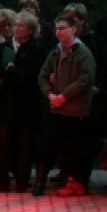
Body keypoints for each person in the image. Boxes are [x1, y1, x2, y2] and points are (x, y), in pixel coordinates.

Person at [38, 14, 96, 198]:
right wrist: (50, 94)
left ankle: (78, 182)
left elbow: (86, 79)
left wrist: (64, 95)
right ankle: (71, 180)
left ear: (73, 29)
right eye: (56, 28)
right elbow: (42, 75)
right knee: (63, 148)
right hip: (58, 106)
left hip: (75, 108)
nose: (59, 32)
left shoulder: (83, 52)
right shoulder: (55, 52)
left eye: (62, 28)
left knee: (76, 148)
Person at [0, 11, 44, 193]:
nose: (15, 28)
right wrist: (6, 71)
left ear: (30, 30)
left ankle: (22, 182)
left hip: (26, 104)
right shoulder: (6, 46)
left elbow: (32, 74)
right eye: (15, 24)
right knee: (3, 144)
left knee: (24, 146)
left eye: (20, 25)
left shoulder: (36, 49)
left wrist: (10, 73)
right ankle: (2, 181)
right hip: (5, 102)